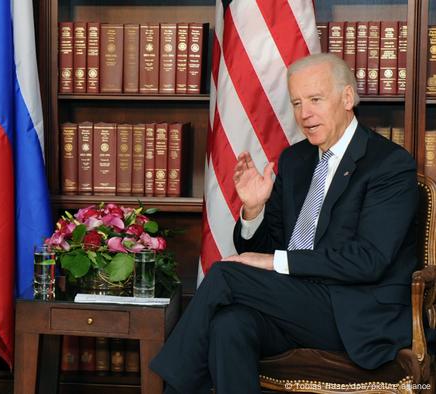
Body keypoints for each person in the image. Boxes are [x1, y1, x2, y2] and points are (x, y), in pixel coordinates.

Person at [149, 53, 418, 393]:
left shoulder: (389, 165)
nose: (305, 114)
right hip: (294, 303)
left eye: (316, 100)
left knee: (225, 275)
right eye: (297, 103)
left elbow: (368, 261)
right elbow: (263, 246)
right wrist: (253, 211)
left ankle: (167, 386)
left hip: (353, 311)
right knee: (229, 324)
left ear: (348, 98)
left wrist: (275, 261)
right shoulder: (295, 160)